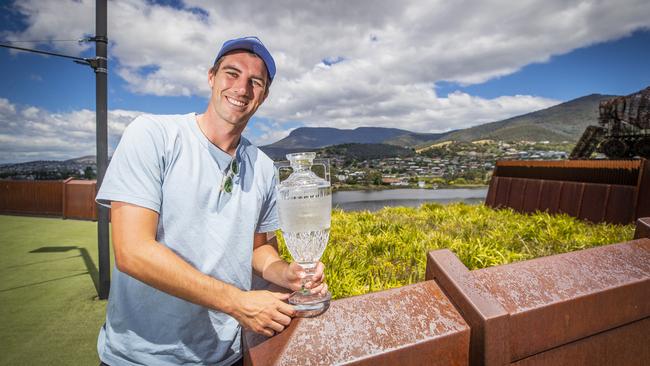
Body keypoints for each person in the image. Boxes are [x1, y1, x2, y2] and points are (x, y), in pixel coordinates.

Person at [95, 36, 327, 366]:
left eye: (255, 81)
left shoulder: (262, 167)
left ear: (264, 95)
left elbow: (258, 248)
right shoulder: (153, 135)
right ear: (211, 77)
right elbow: (132, 251)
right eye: (231, 73)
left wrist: (284, 273)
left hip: (226, 355)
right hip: (141, 357)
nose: (242, 88)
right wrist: (237, 302)